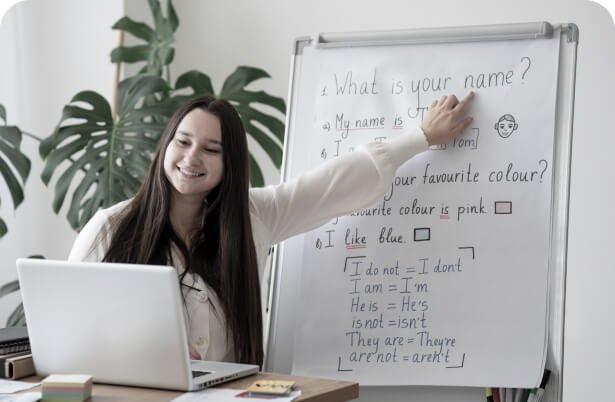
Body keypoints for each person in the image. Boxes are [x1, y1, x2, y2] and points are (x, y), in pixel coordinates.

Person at [68, 91, 475, 366]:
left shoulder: (253, 216)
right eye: (183, 142)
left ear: (230, 163)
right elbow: (73, 331)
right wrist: (150, 351)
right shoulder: (110, 229)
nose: (192, 158)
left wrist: (421, 137)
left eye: (211, 149)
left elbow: (331, 185)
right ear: (165, 147)